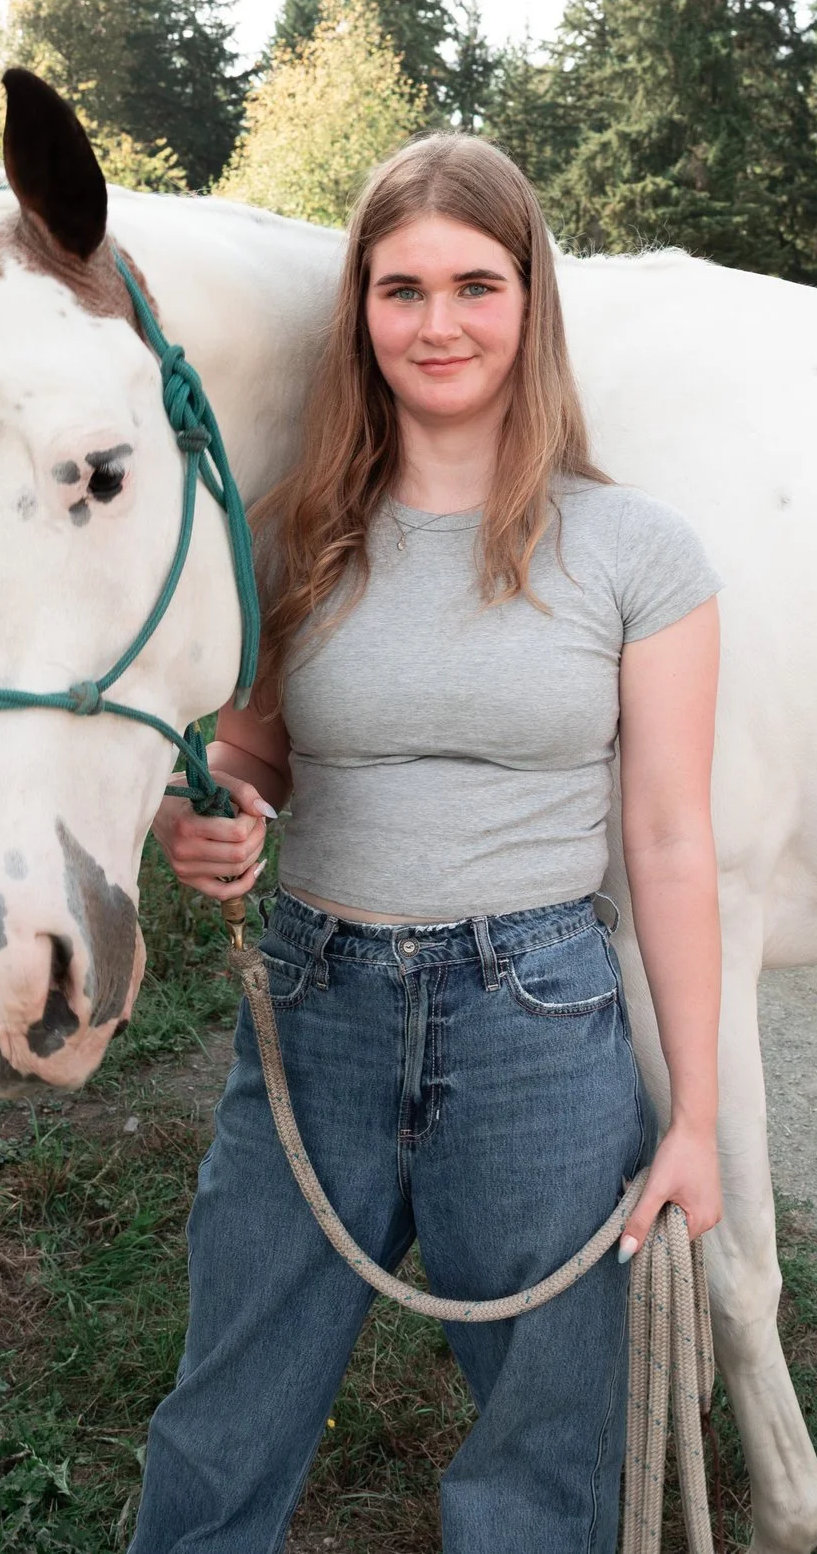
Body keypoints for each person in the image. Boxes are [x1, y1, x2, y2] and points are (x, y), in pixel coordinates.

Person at [129, 132, 724, 1554]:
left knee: (545, 1447)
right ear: (362, 310)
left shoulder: (638, 552)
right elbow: (251, 752)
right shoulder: (294, 535)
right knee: (223, 1416)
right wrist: (203, 812)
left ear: (530, 305)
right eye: (402, 289)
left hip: (536, 1024)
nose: (438, 322)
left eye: (475, 283)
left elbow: (670, 837)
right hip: (315, 1009)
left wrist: (695, 1119)